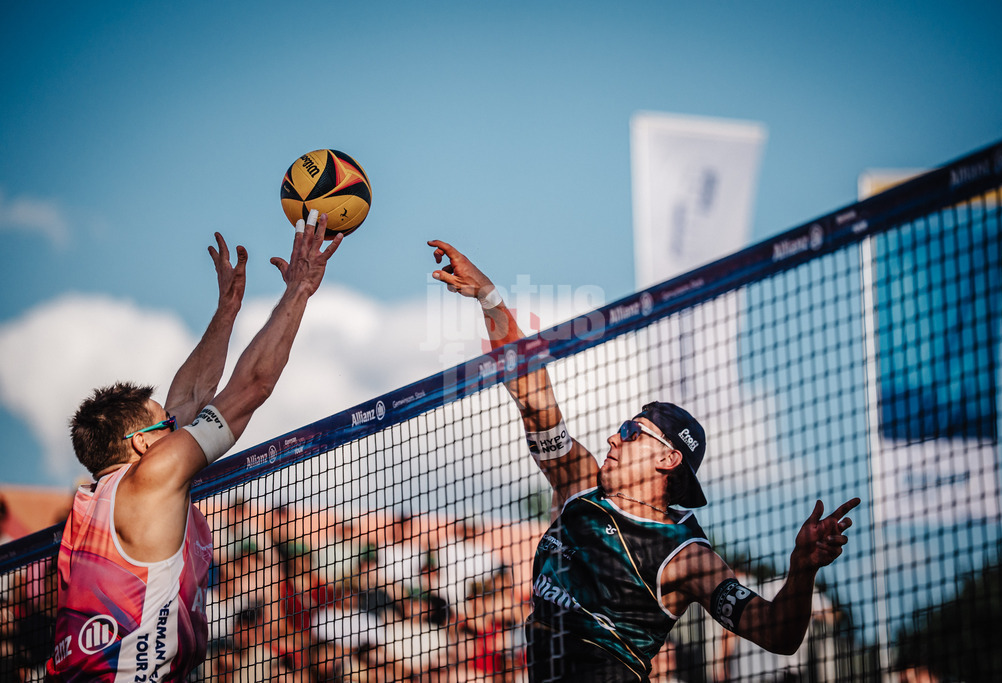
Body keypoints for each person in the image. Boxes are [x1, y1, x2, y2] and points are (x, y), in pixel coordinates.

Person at [427, 240, 860, 683]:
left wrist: (802, 568)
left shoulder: (687, 556)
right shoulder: (579, 484)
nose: (615, 437)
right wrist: (489, 296)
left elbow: (777, 635)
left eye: (632, 432)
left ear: (669, 458)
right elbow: (532, 398)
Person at [46, 212, 343, 682]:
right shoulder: (151, 478)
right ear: (141, 444)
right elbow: (253, 386)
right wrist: (299, 291)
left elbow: (191, 397)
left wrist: (226, 312)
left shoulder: (107, 497)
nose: (174, 422)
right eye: (163, 424)